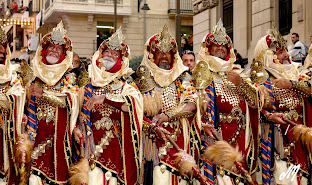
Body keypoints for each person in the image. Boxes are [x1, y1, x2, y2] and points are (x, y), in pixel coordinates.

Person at [136, 24, 203, 184]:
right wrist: (152, 127)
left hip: (180, 141)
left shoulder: (183, 77)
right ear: (153, 55)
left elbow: (192, 104)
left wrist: (167, 115)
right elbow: (136, 111)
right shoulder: (143, 79)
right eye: (160, 52)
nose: (165, 56)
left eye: (168, 53)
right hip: (154, 144)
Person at [75, 27, 143, 185]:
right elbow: (75, 114)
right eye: (107, 52)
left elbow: (131, 106)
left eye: (115, 53)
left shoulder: (127, 87)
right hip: (91, 148)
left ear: (121, 60)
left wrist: (106, 98)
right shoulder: (87, 84)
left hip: (117, 150)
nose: (110, 55)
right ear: (100, 55)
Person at [196, 19, 259, 185]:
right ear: (208, 49)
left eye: (224, 45)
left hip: (239, 138)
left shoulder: (238, 74)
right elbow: (195, 107)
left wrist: (240, 84)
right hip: (216, 138)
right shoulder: (201, 75)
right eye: (216, 44)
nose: (220, 48)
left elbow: (254, 103)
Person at [250, 25, 311, 185]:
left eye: (285, 51)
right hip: (278, 146)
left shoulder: (299, 74)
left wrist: (292, 84)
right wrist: (269, 116)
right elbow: (254, 108)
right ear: (267, 57)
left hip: (302, 144)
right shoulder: (260, 82)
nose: (285, 55)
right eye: (279, 52)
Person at [25, 21, 79, 184]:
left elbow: (70, 103)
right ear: (44, 50)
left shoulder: (68, 77)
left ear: (63, 53)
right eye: (51, 47)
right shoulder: (34, 75)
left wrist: (45, 94)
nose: (54, 50)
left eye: (59, 48)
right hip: (36, 139)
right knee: (34, 179)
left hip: (59, 144)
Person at [0, 14, 26, 185]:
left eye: (4, 46)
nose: (1, 50)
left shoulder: (13, 75)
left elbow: (14, 101)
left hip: (4, 140)